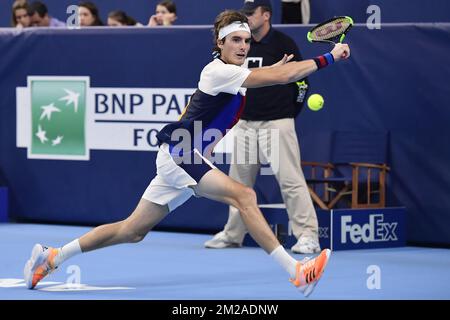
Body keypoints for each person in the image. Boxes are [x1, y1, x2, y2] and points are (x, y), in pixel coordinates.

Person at [24, 9, 350, 296]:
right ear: (220, 44)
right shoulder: (218, 71)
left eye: (246, 41)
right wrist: (330, 56)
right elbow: (284, 76)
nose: (242, 46)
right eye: (234, 40)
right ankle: (297, 273)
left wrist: (278, 72)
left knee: (131, 231)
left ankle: (52, 257)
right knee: (245, 196)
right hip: (182, 152)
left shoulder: (234, 75)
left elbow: (275, 77)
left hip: (182, 154)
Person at [204, 0, 321, 254]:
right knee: (237, 183)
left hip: (277, 122)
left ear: (266, 15)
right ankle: (233, 234)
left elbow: (300, 82)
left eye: (250, 14)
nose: (246, 20)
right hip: (245, 124)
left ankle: (308, 235)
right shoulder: (240, 45)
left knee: (290, 181)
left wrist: (289, 113)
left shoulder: (283, 44)